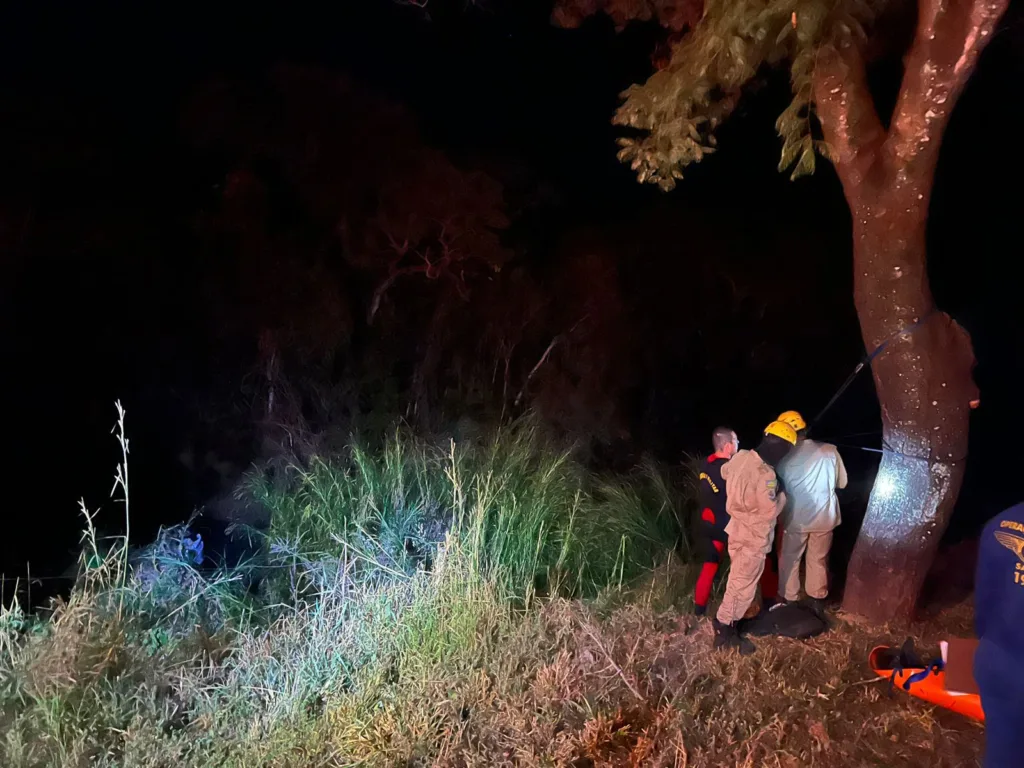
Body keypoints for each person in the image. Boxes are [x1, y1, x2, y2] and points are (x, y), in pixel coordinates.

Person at [713, 420, 797, 654]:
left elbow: (724, 471)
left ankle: (726, 623)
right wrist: (782, 496)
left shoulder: (740, 457)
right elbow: (770, 511)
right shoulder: (766, 473)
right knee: (743, 586)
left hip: (736, 530)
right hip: (753, 538)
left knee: (736, 580)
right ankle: (724, 628)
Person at [774, 410, 847, 613]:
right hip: (825, 517)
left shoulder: (783, 458)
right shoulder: (830, 450)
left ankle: (790, 600)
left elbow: (776, 489)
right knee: (818, 559)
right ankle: (817, 599)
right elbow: (842, 482)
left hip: (796, 519)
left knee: (790, 558)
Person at [974, 501, 1024, 768]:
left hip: (999, 661)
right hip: (1003, 661)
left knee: (1003, 754)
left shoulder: (1000, 523)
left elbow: (985, 603)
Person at [693, 426, 738, 616]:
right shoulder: (729, 470)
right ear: (728, 446)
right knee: (739, 568)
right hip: (727, 525)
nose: (737, 444)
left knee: (709, 567)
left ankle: (699, 609)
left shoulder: (706, 464)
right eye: (736, 441)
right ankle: (735, 609)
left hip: (708, 523)